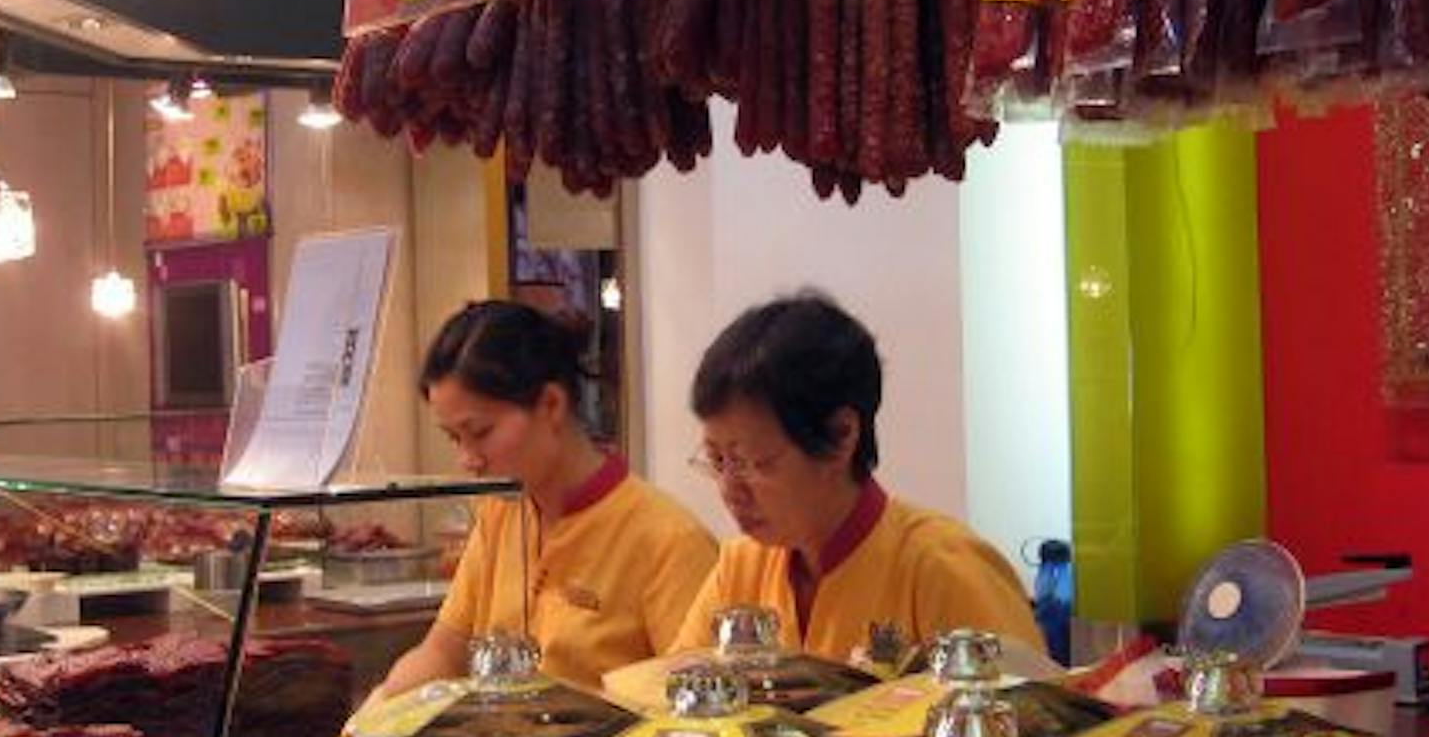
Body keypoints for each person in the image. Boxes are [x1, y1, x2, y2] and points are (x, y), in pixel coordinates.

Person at [668, 293, 1039, 664]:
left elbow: (1033, 715)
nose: (731, 490)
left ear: (841, 435)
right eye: (717, 459)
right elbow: (667, 697)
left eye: (752, 462)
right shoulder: (741, 567)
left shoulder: (941, 568)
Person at [374, 300, 717, 695]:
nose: (468, 460)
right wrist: (378, 713)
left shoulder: (669, 541)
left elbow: (692, 705)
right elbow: (444, 651)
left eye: (481, 432)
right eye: (454, 438)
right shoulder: (499, 515)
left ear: (551, 404)